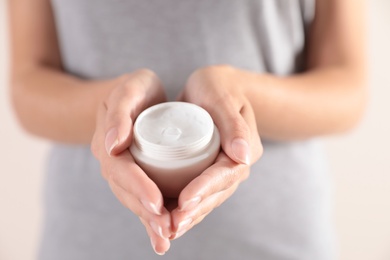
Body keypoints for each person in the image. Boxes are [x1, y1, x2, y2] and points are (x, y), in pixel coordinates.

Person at [8, 0, 366, 259]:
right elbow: (28, 86)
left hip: (274, 238)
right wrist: (111, 107)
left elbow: (348, 89)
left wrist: (237, 96)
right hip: (90, 240)